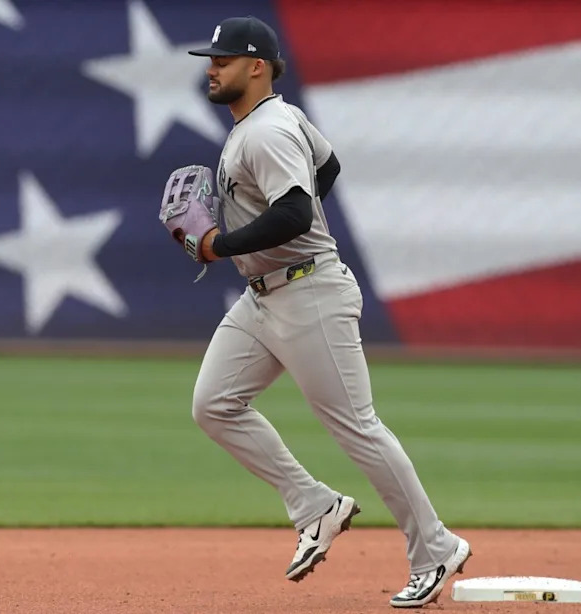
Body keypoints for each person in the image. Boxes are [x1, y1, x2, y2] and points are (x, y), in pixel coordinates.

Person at [185, 15, 472, 608]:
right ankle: (315, 504)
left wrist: (220, 244)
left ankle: (437, 549)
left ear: (256, 66)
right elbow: (329, 170)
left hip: (308, 292)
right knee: (214, 404)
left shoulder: (265, 132)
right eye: (211, 59)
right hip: (264, 297)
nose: (211, 68)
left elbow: (294, 211)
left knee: (357, 429)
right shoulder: (276, 120)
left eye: (223, 59)